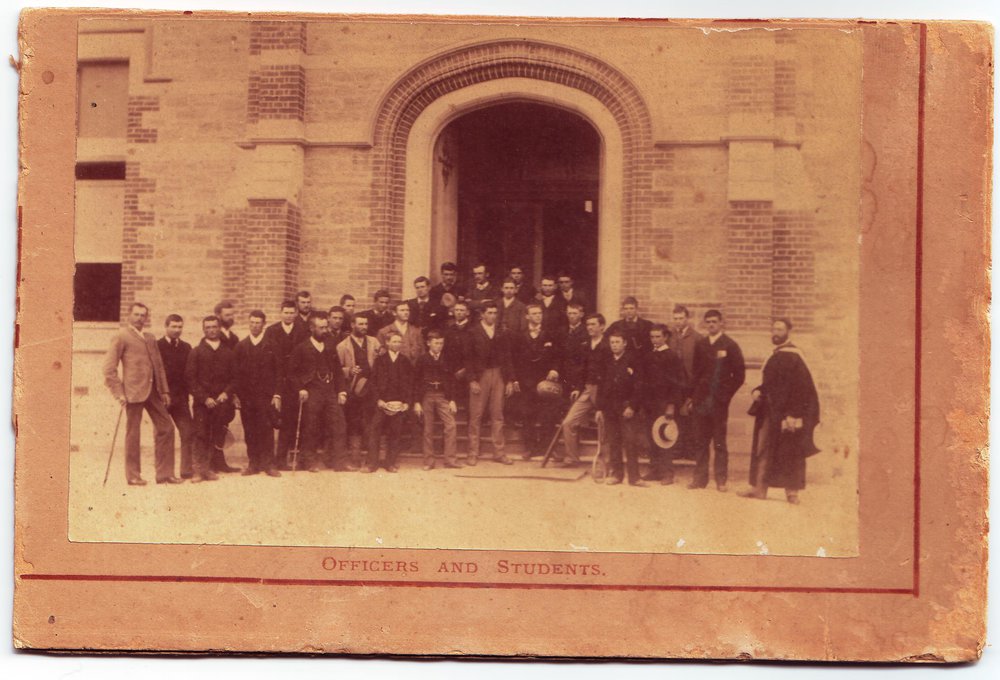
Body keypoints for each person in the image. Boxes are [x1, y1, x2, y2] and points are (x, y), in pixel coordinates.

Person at [743, 318, 821, 504]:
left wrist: (793, 414)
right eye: (774, 329)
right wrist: (759, 390)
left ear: (788, 332)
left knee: (790, 452)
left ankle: (792, 493)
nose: (775, 332)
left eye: (779, 329)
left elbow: (802, 388)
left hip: (787, 414)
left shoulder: (795, 356)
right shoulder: (774, 355)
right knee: (763, 449)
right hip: (769, 411)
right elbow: (770, 384)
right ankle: (759, 488)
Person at [102, 302, 178, 486]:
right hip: (132, 393)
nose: (139, 318)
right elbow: (108, 369)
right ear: (129, 315)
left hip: (153, 392)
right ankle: (133, 476)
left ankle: (164, 474)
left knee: (167, 427)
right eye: (136, 314)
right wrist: (119, 392)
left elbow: (158, 366)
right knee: (133, 435)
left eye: (143, 315)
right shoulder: (121, 336)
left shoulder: (150, 338)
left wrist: (165, 390)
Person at [687, 309, 745, 492]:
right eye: (708, 322)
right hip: (701, 401)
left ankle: (721, 480)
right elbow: (695, 373)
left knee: (719, 441)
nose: (711, 325)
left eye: (714, 322)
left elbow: (739, 376)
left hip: (719, 402)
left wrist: (724, 396)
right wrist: (694, 397)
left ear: (721, 323)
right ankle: (700, 479)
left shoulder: (730, 345)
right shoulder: (701, 344)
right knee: (700, 441)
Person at [287, 315, 349, 472]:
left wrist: (341, 390)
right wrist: (300, 388)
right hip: (311, 391)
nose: (325, 330)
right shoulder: (301, 348)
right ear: (312, 328)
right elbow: (292, 373)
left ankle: (338, 462)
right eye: (321, 328)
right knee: (311, 427)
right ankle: (308, 462)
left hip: (329, 391)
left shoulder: (330, 346)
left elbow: (338, 371)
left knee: (339, 425)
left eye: (325, 327)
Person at [184, 315, 237, 483]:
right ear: (203, 330)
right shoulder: (196, 352)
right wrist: (204, 398)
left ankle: (208, 469)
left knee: (215, 434)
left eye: (214, 327)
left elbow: (235, 378)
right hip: (203, 403)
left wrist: (226, 393)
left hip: (221, 402)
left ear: (219, 328)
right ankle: (198, 471)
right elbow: (190, 379)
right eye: (208, 327)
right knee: (201, 434)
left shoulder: (228, 352)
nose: (211, 330)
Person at [465, 301, 516, 465]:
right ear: (482, 314)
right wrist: (472, 379)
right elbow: (468, 358)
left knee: (497, 415)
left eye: (495, 313)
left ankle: (499, 452)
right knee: (476, 415)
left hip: (498, 374)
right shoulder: (473, 332)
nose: (493, 316)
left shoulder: (501, 332)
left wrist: (509, 380)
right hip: (481, 376)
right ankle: (473, 453)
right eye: (489, 313)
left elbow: (508, 357)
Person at [233, 310, 282, 477]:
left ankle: (269, 465)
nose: (255, 326)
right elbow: (236, 374)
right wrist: (236, 395)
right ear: (249, 323)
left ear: (263, 325)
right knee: (250, 431)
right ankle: (253, 463)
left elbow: (279, 372)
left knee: (266, 429)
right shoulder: (241, 346)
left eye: (258, 323)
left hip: (266, 396)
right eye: (252, 322)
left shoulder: (272, 345)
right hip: (247, 398)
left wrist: (276, 394)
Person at [594, 330, 645, 486]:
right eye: (612, 342)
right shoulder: (606, 361)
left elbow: (639, 386)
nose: (614, 345)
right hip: (610, 408)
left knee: (630, 442)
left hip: (626, 408)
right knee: (614, 442)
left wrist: (632, 406)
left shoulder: (633, 361)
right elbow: (601, 386)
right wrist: (599, 409)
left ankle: (634, 477)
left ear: (624, 343)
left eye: (617, 342)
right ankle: (617, 475)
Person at [263, 300, 310, 469]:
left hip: (297, 381)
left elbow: (307, 355)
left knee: (299, 420)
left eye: (292, 313)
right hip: (279, 380)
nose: (289, 315)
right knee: (282, 421)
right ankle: (279, 460)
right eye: (286, 312)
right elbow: (267, 357)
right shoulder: (271, 331)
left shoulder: (303, 330)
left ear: (296, 314)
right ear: (281, 313)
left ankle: (301, 461)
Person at [511, 303, 562, 460]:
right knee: (527, 414)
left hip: (545, 381)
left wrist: (554, 369)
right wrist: (514, 379)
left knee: (549, 415)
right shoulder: (518, 336)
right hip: (526, 381)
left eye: (539, 313)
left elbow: (558, 356)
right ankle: (530, 448)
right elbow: (512, 359)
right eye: (533, 313)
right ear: (527, 316)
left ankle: (548, 449)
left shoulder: (550, 334)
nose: (537, 316)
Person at [637, 324, 686, 484]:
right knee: (652, 437)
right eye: (652, 337)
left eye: (658, 336)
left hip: (665, 403)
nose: (655, 340)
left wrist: (671, 405)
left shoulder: (672, 357)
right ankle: (655, 470)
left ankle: (667, 473)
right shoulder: (648, 356)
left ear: (665, 337)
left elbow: (677, 383)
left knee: (665, 437)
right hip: (650, 403)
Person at [559, 312, 609, 466]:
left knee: (605, 426)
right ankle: (572, 458)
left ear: (602, 326)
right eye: (588, 324)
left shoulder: (608, 345)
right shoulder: (585, 345)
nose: (590, 328)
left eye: (593, 324)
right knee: (568, 423)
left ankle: (605, 463)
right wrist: (578, 388)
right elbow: (582, 370)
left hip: (604, 390)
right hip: (587, 390)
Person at [366, 331, 415, 473]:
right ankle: (372, 464)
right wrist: (378, 400)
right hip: (382, 403)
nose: (397, 344)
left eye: (399, 342)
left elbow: (410, 384)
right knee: (375, 431)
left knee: (395, 433)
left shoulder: (405, 361)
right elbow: (373, 383)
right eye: (394, 341)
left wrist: (406, 403)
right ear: (387, 343)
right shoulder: (380, 361)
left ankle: (390, 463)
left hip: (398, 404)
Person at [412, 330, 461, 470]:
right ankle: (429, 461)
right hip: (426, 395)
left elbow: (452, 380)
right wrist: (416, 402)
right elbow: (416, 381)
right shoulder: (422, 359)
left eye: (441, 343)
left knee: (451, 425)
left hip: (442, 395)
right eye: (436, 343)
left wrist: (452, 400)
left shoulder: (447, 358)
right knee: (428, 428)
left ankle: (450, 460)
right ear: (428, 343)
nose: (439, 346)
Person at [337, 314, 381, 468]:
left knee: (370, 423)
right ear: (352, 325)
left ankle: (371, 459)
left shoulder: (374, 342)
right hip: (354, 391)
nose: (364, 327)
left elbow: (381, 361)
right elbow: (337, 370)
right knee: (354, 424)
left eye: (366, 324)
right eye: (360, 324)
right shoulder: (343, 346)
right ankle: (355, 459)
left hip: (371, 388)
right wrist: (349, 370)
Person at [157, 314, 194, 479]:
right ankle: (165, 473)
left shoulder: (187, 347)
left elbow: (190, 374)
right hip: (162, 399)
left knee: (188, 432)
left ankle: (186, 471)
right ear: (166, 326)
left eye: (180, 327)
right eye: (173, 326)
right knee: (164, 434)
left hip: (181, 399)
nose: (177, 330)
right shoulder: (156, 346)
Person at [670, 304, 701, 458]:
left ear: (687, 319)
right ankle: (676, 448)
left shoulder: (697, 338)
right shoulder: (669, 336)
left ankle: (689, 450)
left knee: (689, 415)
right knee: (675, 415)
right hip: (674, 384)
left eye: (681, 318)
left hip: (690, 384)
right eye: (675, 319)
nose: (678, 322)